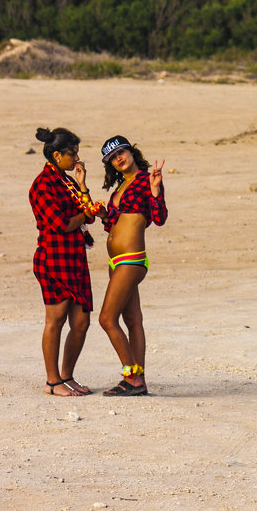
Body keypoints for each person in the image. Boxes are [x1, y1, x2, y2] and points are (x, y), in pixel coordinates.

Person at [29, 127, 103, 396]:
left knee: (81, 322)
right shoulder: (42, 185)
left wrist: (83, 186)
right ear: (57, 154)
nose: (76, 159)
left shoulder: (68, 182)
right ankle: (52, 381)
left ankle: (66, 376)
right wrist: (85, 214)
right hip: (53, 258)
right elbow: (62, 224)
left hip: (75, 258)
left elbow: (90, 215)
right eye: (72, 154)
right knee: (56, 319)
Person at [97, 135, 167, 396]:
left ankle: (132, 376)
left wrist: (157, 190)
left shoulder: (146, 180)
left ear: (131, 152)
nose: (118, 158)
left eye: (121, 152)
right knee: (132, 318)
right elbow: (112, 226)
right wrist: (105, 216)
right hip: (115, 261)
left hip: (132, 258)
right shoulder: (118, 189)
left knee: (106, 319)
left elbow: (159, 218)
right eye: (113, 158)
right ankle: (141, 382)